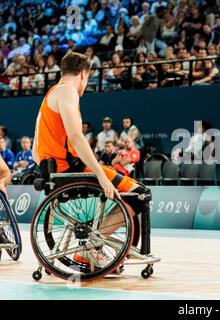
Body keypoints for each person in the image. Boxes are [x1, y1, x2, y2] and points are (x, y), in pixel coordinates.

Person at [32, 51, 151, 267]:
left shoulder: (50, 95)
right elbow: (77, 138)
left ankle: (98, 245)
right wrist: (101, 176)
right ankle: (92, 248)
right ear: (84, 74)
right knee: (140, 194)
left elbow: (34, 153)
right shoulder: (68, 91)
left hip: (56, 172)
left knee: (131, 190)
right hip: (70, 170)